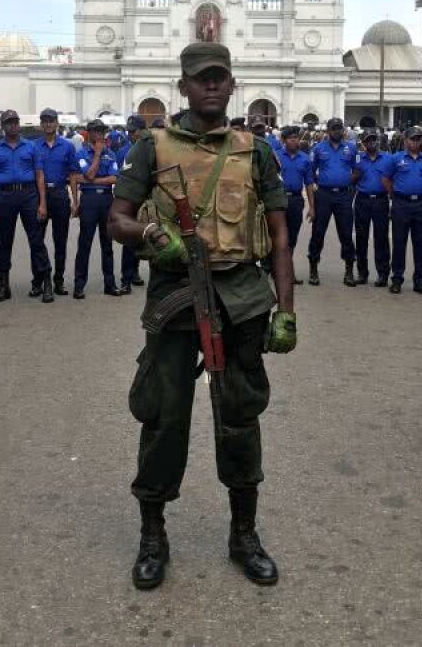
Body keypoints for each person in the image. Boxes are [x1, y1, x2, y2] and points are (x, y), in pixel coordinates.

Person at [107, 41, 295, 590]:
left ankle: (243, 534)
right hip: (174, 296)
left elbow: (281, 236)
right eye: (200, 78)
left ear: (232, 85)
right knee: (163, 416)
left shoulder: (255, 150)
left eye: (220, 77)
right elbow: (115, 219)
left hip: (240, 299)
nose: (211, 85)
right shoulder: (152, 146)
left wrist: (287, 310)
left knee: (240, 416)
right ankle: (153, 534)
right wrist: (149, 234)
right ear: (183, 86)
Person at [0, 109, 52, 303]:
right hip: (5, 197)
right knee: (5, 243)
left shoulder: (31, 147)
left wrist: (42, 204)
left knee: (36, 241)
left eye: (15, 122)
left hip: (28, 196)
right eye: (9, 122)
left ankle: (46, 283)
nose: (13, 125)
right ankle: (4, 286)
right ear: (3, 127)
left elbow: (39, 175)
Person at [72, 119, 121, 298]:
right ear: (89, 133)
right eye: (96, 131)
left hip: (106, 199)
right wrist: (98, 154)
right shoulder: (82, 153)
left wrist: (93, 180)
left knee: (107, 243)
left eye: (102, 131)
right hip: (90, 201)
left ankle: (110, 284)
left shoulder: (111, 153)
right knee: (85, 243)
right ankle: (79, 285)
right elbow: (89, 173)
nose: (99, 134)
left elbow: (115, 178)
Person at [307, 117, 358, 286]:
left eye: (339, 128)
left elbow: (357, 170)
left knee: (346, 234)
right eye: (334, 128)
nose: (337, 131)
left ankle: (349, 271)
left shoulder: (351, 148)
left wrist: (346, 181)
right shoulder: (318, 148)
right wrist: (323, 181)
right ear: (328, 130)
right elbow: (311, 171)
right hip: (324, 195)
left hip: (343, 196)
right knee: (318, 233)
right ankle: (313, 269)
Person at [387, 126, 422, 295]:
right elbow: (386, 179)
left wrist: (419, 187)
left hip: (421, 205)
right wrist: (396, 193)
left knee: (421, 244)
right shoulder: (395, 159)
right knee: (399, 243)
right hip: (401, 204)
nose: (416, 142)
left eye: (418, 139)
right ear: (405, 141)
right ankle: (397, 279)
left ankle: (419, 280)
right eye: (413, 139)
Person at [36, 108, 77, 296]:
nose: (48, 124)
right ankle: (38, 280)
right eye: (44, 121)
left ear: (57, 123)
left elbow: (73, 175)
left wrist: (75, 200)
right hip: (39, 197)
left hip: (60, 194)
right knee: (37, 241)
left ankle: (58, 281)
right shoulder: (33, 146)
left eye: (51, 121)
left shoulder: (67, 146)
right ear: (41, 124)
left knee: (60, 242)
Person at [352, 129, 394, 286]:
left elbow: (393, 179)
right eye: (368, 140)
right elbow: (352, 178)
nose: (372, 142)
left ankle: (383, 274)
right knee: (361, 238)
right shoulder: (358, 159)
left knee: (381, 238)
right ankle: (362, 273)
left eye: (374, 139)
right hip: (362, 200)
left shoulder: (387, 159)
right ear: (363, 142)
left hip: (380, 201)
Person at [276, 125, 314, 285]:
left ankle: (288, 273)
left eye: (296, 138)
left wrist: (312, 207)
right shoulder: (276, 157)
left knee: (292, 238)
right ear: (284, 140)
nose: (295, 141)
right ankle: (278, 272)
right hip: (279, 201)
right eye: (291, 138)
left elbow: (309, 184)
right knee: (277, 238)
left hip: (296, 201)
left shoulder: (305, 159)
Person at [117, 114, 148, 294]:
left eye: (133, 131)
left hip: (147, 201)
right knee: (129, 239)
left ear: (142, 130)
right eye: (129, 131)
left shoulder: (151, 148)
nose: (131, 134)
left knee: (146, 238)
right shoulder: (123, 150)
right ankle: (126, 279)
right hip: (130, 200)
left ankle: (135, 272)